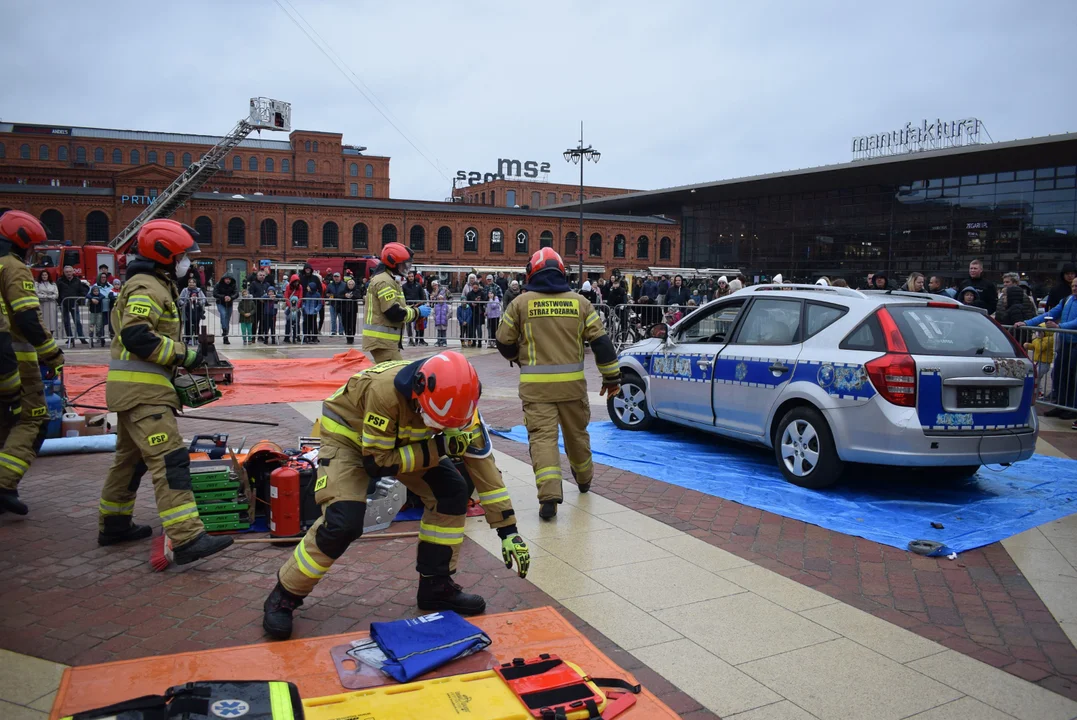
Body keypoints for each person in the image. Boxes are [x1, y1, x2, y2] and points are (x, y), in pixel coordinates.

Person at [262, 352, 530, 639]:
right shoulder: (384, 393)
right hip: (350, 440)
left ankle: (435, 586)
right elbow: (377, 463)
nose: (439, 428)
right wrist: (440, 447)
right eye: (435, 422)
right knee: (342, 523)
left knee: (451, 493)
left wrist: (508, 530)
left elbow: (483, 465)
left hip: (403, 441)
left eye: (445, 426)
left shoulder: (462, 406)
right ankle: (285, 594)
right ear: (418, 390)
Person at [97, 219, 233, 561]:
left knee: (128, 463)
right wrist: (186, 355)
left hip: (134, 392)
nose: (187, 261)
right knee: (170, 461)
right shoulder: (148, 288)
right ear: (166, 254)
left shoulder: (152, 284)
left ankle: (114, 524)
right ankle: (187, 537)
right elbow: (137, 336)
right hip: (144, 394)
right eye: (183, 255)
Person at [496, 248, 621, 520]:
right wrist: (611, 378)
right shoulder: (580, 303)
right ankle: (584, 479)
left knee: (542, 440)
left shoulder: (520, 303)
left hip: (536, 390)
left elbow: (503, 343)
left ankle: (549, 497)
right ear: (562, 272)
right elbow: (602, 343)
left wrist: (520, 358)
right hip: (573, 389)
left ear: (532, 272)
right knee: (577, 436)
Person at [0, 212, 64, 515]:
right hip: (17, 362)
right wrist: (52, 354)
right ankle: (4, 484)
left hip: (5, 359)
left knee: (5, 422)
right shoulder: (14, 268)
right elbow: (27, 319)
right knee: (33, 419)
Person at [1016, 276, 1077, 418]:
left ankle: (1071, 407)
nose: (1074, 288)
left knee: (1072, 377)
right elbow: (1049, 315)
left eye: (1076, 286)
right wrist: (1027, 323)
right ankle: (1060, 404)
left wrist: (1060, 326)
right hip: (1066, 342)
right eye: (1073, 285)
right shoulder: (1067, 300)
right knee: (1059, 374)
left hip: (1075, 343)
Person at [363, 243, 428, 363]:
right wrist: (417, 312)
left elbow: (396, 306)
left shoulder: (389, 279)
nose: (406, 268)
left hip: (385, 341)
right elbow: (393, 312)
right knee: (394, 375)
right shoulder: (384, 281)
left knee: (389, 376)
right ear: (392, 263)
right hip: (382, 341)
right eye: (403, 265)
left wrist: (412, 308)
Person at [56, 265, 89, 346]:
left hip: (74, 304)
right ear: (64, 272)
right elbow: (57, 293)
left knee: (77, 321)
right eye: (67, 272)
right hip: (64, 304)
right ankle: (70, 338)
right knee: (66, 322)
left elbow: (82, 291)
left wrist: (80, 299)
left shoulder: (77, 280)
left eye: (70, 271)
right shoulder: (60, 281)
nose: (68, 273)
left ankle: (82, 338)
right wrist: (60, 302)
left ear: (73, 272)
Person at [1024, 330, 1054, 399]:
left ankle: (1039, 392)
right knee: (1036, 377)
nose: (1038, 334)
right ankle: (1038, 392)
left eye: (1040, 332)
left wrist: (1039, 339)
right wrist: (1028, 345)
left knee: (1036, 376)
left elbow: (1040, 347)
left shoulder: (1048, 339)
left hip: (1044, 363)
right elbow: (1034, 347)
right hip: (1039, 362)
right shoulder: (1038, 340)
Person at [178, 276, 206, 344]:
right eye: (190, 282)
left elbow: (204, 299)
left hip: (197, 309)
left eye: (193, 282)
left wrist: (199, 302)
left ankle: (196, 338)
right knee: (187, 324)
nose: (191, 284)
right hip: (187, 309)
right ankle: (188, 338)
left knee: (196, 324)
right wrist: (184, 303)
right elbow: (180, 299)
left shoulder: (199, 290)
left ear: (195, 283)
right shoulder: (185, 290)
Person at [247, 270, 271, 343]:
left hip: (264, 305)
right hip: (255, 305)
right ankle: (253, 336)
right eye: (260, 275)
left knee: (263, 321)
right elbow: (251, 293)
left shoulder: (267, 284)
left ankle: (260, 335)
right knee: (255, 321)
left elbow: (269, 293)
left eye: (263, 275)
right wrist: (258, 298)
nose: (262, 277)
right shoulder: (253, 284)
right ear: (257, 276)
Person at [214, 274, 237, 345]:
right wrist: (224, 297)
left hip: (229, 304)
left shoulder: (233, 285)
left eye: (229, 279)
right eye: (227, 279)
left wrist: (231, 297)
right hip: (220, 303)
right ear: (224, 279)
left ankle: (225, 337)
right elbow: (215, 294)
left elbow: (236, 293)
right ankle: (224, 330)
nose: (228, 280)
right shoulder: (218, 284)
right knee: (223, 314)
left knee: (227, 320)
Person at [35, 270, 58, 335]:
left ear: (48, 276)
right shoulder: (37, 284)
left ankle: (51, 334)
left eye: (45, 275)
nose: (44, 276)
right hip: (42, 304)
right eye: (43, 275)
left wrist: (49, 296)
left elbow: (56, 294)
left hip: (51, 304)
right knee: (43, 320)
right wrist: (46, 296)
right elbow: (36, 293)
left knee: (52, 321)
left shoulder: (53, 284)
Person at [325, 272, 347, 336]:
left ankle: (341, 331)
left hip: (341, 304)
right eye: (335, 277)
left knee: (341, 319)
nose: (336, 278)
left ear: (340, 277)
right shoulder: (330, 285)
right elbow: (327, 293)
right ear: (333, 277)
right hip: (333, 304)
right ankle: (333, 331)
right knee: (333, 319)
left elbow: (346, 293)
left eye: (337, 277)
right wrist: (328, 295)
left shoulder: (344, 285)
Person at [430, 280, 450, 347]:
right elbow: (431, 303)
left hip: (444, 308)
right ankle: (439, 341)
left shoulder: (444, 290)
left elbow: (450, 297)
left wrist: (448, 303)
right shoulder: (433, 292)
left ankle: (444, 341)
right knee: (439, 330)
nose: (434, 287)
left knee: (443, 330)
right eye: (433, 286)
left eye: (435, 285)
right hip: (437, 309)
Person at [341, 278, 360, 344]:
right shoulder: (344, 290)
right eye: (349, 284)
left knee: (352, 325)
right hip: (344, 311)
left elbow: (358, 296)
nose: (351, 285)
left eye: (352, 284)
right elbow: (339, 295)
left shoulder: (356, 290)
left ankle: (351, 338)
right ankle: (347, 337)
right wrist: (345, 295)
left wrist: (352, 296)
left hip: (353, 311)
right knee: (345, 324)